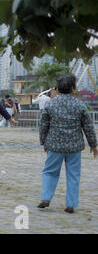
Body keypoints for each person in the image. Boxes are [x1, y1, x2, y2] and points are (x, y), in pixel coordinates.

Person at [38, 75, 97, 214]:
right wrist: (93, 145)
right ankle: (70, 204)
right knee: (73, 175)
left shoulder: (50, 104)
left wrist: (43, 142)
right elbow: (88, 127)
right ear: (73, 88)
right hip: (74, 147)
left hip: (54, 145)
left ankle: (46, 197)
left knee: (50, 172)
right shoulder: (80, 105)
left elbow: (43, 125)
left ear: (57, 89)